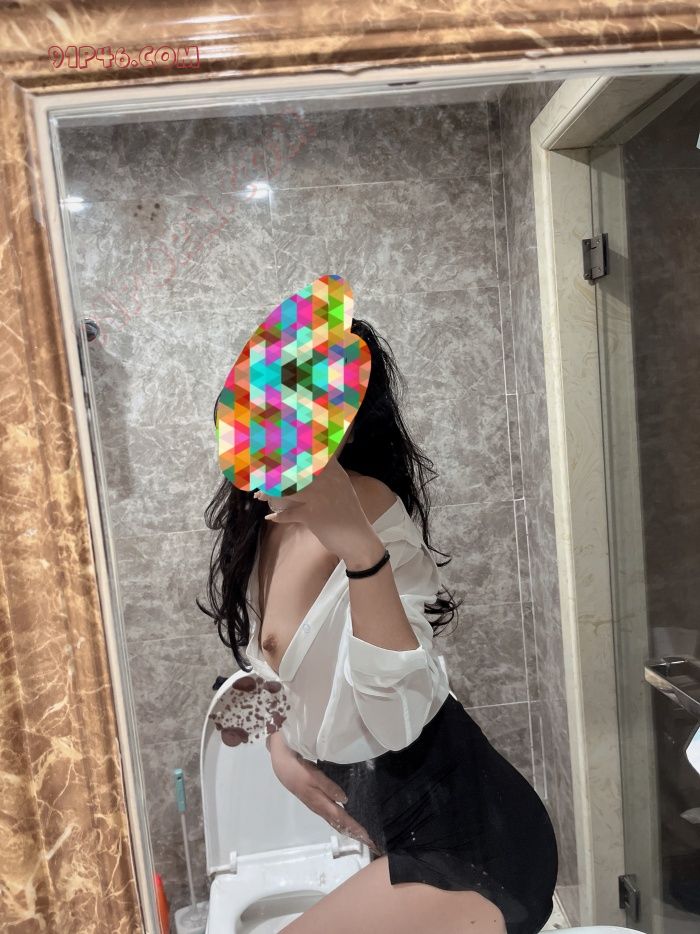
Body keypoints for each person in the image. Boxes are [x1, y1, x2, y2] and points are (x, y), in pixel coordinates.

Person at [198, 318, 558, 934]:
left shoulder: (372, 513)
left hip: (473, 844)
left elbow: (395, 722)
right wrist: (280, 748)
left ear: (346, 420)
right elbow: (284, 670)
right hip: (395, 829)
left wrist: (363, 555)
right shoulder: (263, 520)